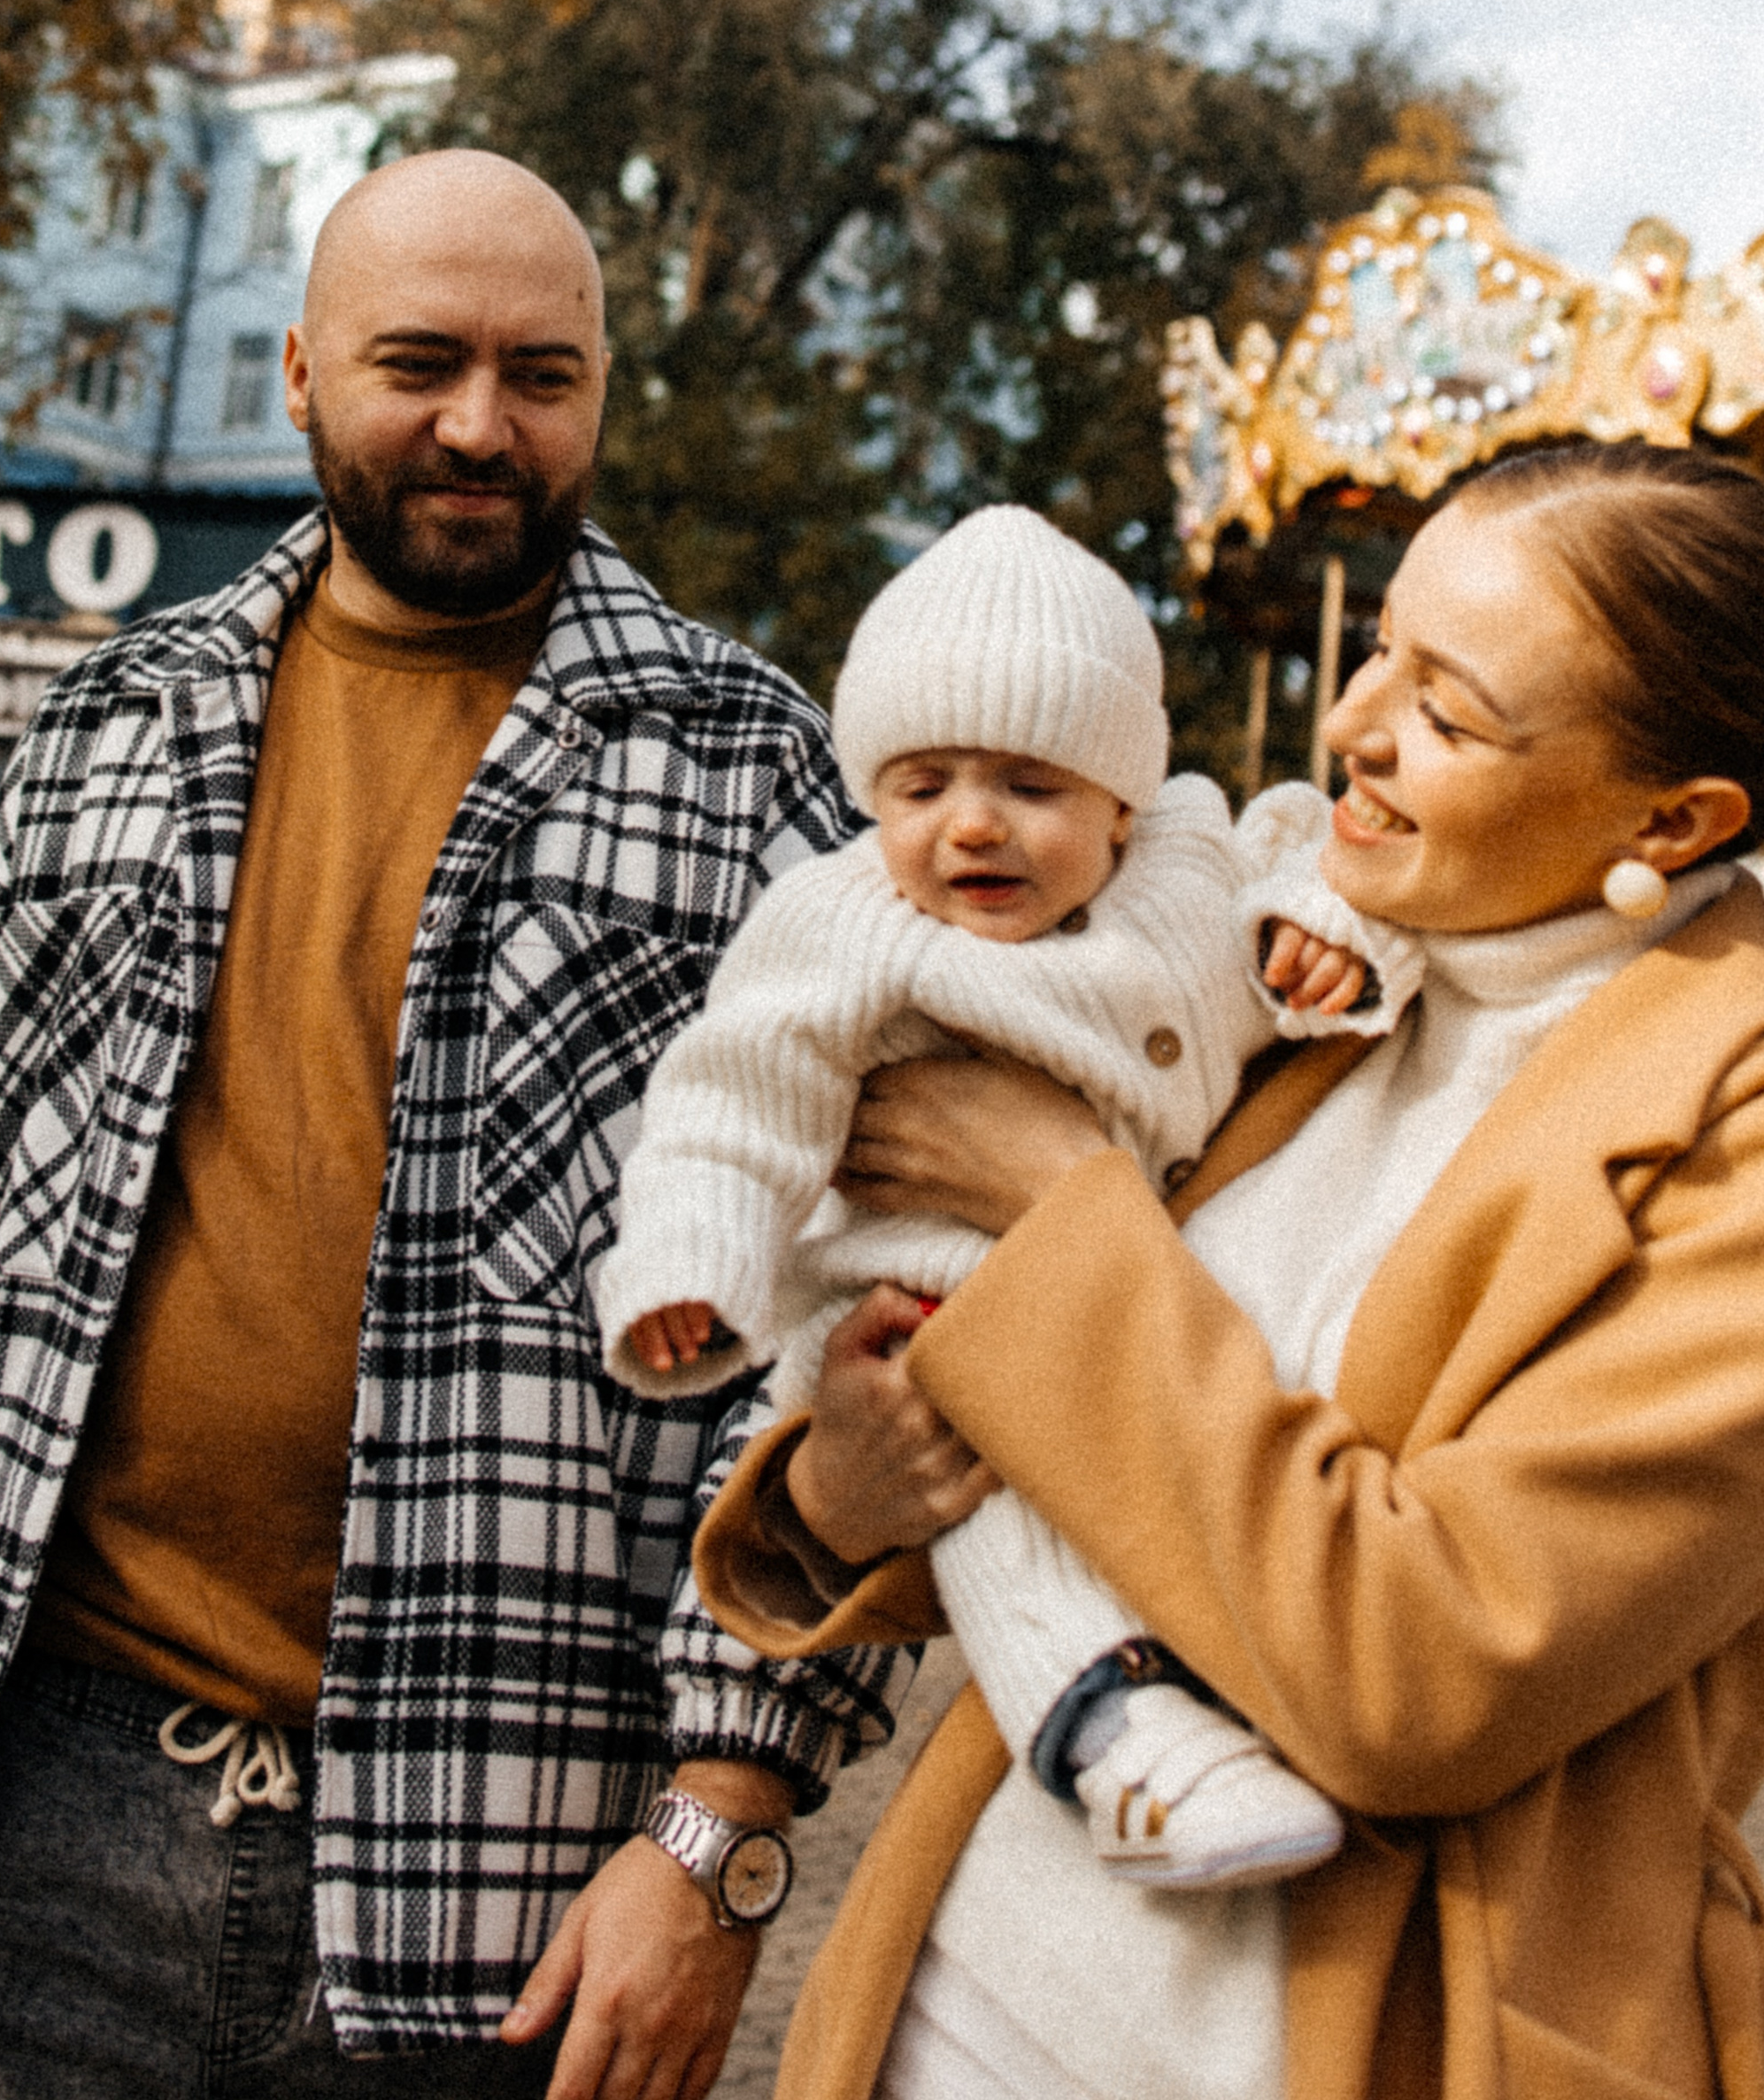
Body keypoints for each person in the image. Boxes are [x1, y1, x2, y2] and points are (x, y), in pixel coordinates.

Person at [0, 149, 907, 2100]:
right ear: (296, 373)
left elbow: (850, 1346)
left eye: (543, 374)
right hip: (22, 1794)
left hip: (500, 1858)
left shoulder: (755, 777)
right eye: (417, 361)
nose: (478, 426)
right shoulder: (111, 725)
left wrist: (719, 1824)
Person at [695, 439, 1764, 2100]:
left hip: (1369, 2031)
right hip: (965, 1992)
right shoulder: (1315, 966)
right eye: (1381, 648)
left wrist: (1061, 1214)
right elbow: (1104, 1483)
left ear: (1674, 815)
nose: (1353, 725)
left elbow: (1422, 1674)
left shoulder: (1729, 1125)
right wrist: (834, 1494)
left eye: (1450, 713)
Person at [596, 502, 1414, 1890]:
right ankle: (1110, 1741)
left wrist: (1323, 945)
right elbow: (731, 1099)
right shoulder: (842, 924)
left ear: (1122, 798)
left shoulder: (1193, 867)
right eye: (921, 787)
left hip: (1155, 1286)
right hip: (924, 1298)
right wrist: (691, 1260)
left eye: (1029, 785)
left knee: (1195, 1477)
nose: (971, 825)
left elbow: (1311, 879)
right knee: (1003, 1511)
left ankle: (1218, 1690)